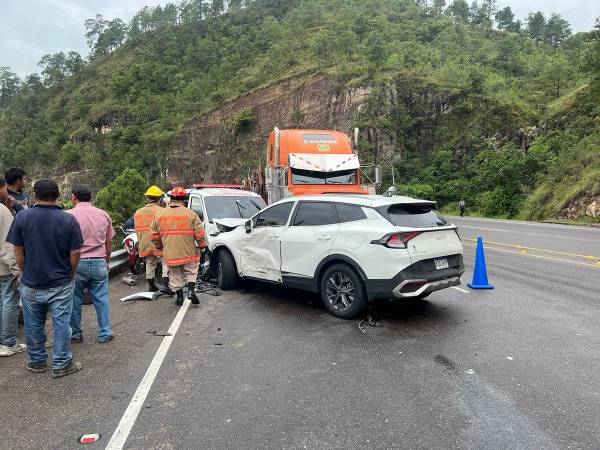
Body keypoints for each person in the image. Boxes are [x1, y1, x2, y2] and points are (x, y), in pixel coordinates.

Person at [6, 179, 84, 378]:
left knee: (33, 324)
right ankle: (61, 363)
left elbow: (17, 249)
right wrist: (71, 273)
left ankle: (36, 361)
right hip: (61, 282)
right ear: (58, 195)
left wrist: (24, 271)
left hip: (31, 282)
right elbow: (75, 252)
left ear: (35, 196)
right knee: (61, 323)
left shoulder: (22, 217)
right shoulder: (68, 220)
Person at [67, 185, 115, 344]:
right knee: (101, 299)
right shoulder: (103, 215)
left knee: (75, 300)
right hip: (98, 261)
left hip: (76, 263)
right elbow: (108, 243)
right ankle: (104, 332)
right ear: (90, 197)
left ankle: (75, 334)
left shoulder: (67, 216)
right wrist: (106, 261)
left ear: (74, 197)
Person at [151, 187, 206, 306]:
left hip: (170, 252)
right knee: (191, 271)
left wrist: (160, 247)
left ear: (171, 199)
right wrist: (202, 246)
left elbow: (154, 236)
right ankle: (191, 291)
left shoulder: (159, 215)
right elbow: (200, 234)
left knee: (175, 274)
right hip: (189, 251)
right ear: (184, 200)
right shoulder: (191, 214)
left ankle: (179, 297)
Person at [0, 177, 25, 357]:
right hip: (4, 268)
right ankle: (8, 342)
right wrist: (17, 268)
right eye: (4, 188)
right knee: (9, 302)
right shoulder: (1, 211)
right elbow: (7, 243)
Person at [134, 186, 173, 294]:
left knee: (150, 263)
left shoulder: (138, 212)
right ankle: (165, 284)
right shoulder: (162, 211)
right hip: (159, 241)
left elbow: (137, 230)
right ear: (159, 198)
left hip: (144, 242)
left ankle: (151, 286)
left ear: (147, 198)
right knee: (166, 261)